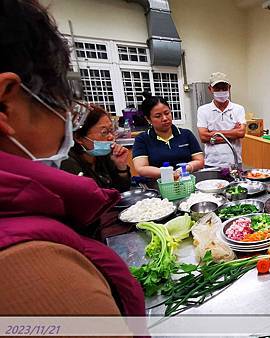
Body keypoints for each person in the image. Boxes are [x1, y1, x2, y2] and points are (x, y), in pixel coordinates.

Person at [0, 0, 144, 316]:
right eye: (61, 102)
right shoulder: (29, 266)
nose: (66, 117)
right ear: (6, 105)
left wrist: (122, 170)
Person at [133, 92, 204, 178]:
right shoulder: (142, 139)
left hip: (185, 181)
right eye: (158, 116)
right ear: (148, 119)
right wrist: (168, 173)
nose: (165, 118)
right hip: (158, 184)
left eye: (167, 113)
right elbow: (141, 168)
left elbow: (199, 160)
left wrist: (184, 169)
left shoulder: (186, 134)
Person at [61, 105, 131, 192]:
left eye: (111, 130)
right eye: (104, 132)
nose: (111, 137)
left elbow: (123, 191)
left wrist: (121, 167)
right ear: (78, 138)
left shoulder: (105, 156)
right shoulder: (68, 164)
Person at [196, 72, 246, 168]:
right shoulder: (203, 110)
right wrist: (233, 133)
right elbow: (203, 137)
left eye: (224, 88)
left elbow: (241, 133)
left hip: (235, 162)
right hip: (212, 163)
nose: (221, 91)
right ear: (210, 89)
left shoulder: (238, 109)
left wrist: (213, 134)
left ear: (229, 88)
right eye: (217, 88)